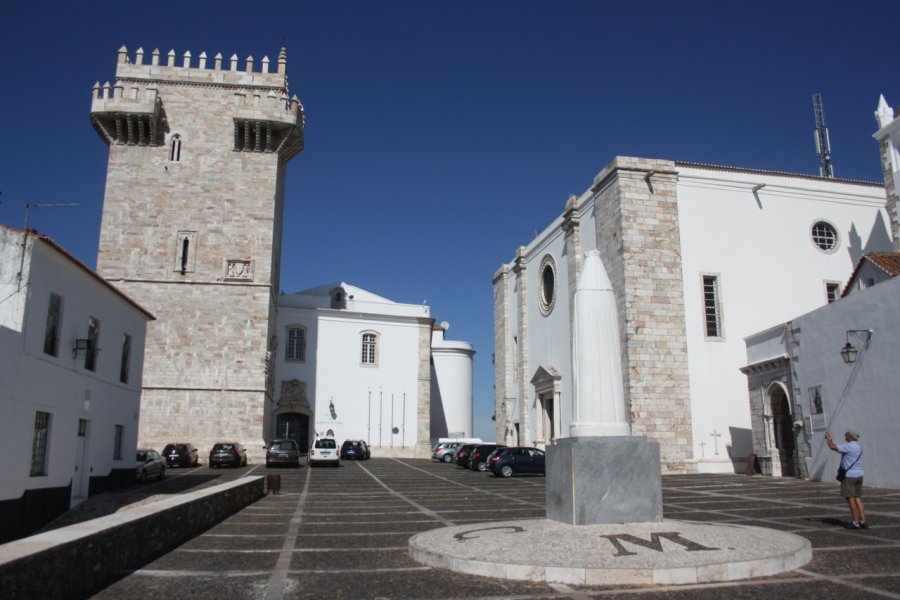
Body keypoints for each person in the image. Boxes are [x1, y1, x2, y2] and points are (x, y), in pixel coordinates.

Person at [825, 429, 867, 529]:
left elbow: (832, 447)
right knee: (858, 498)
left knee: (850, 498)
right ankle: (863, 521)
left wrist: (829, 439)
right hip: (859, 474)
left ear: (850, 436)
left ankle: (855, 522)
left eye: (846, 434)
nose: (845, 436)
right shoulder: (858, 446)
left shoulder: (849, 446)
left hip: (849, 476)